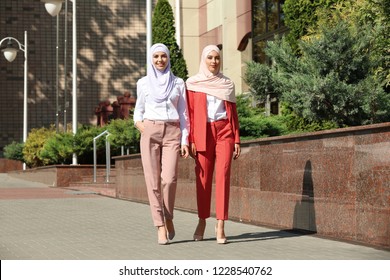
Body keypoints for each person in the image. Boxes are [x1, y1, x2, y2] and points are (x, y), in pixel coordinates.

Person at [133, 43, 190, 245]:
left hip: (173, 132)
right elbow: (138, 111)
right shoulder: (143, 83)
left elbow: (184, 114)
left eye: (163, 56)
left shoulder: (178, 83)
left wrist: (185, 139)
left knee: (169, 179)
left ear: (168, 58)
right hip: (150, 131)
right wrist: (143, 128)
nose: (159, 60)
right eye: (156, 56)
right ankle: (159, 225)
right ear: (151, 59)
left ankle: (169, 217)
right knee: (152, 181)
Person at [186, 45, 241, 244]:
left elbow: (233, 113)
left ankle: (221, 224)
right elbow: (189, 114)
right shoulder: (193, 83)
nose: (213, 62)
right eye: (210, 58)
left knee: (224, 175)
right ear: (203, 59)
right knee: (203, 178)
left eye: (217, 58)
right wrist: (191, 139)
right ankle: (202, 221)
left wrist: (236, 138)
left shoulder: (227, 84)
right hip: (202, 132)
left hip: (224, 130)